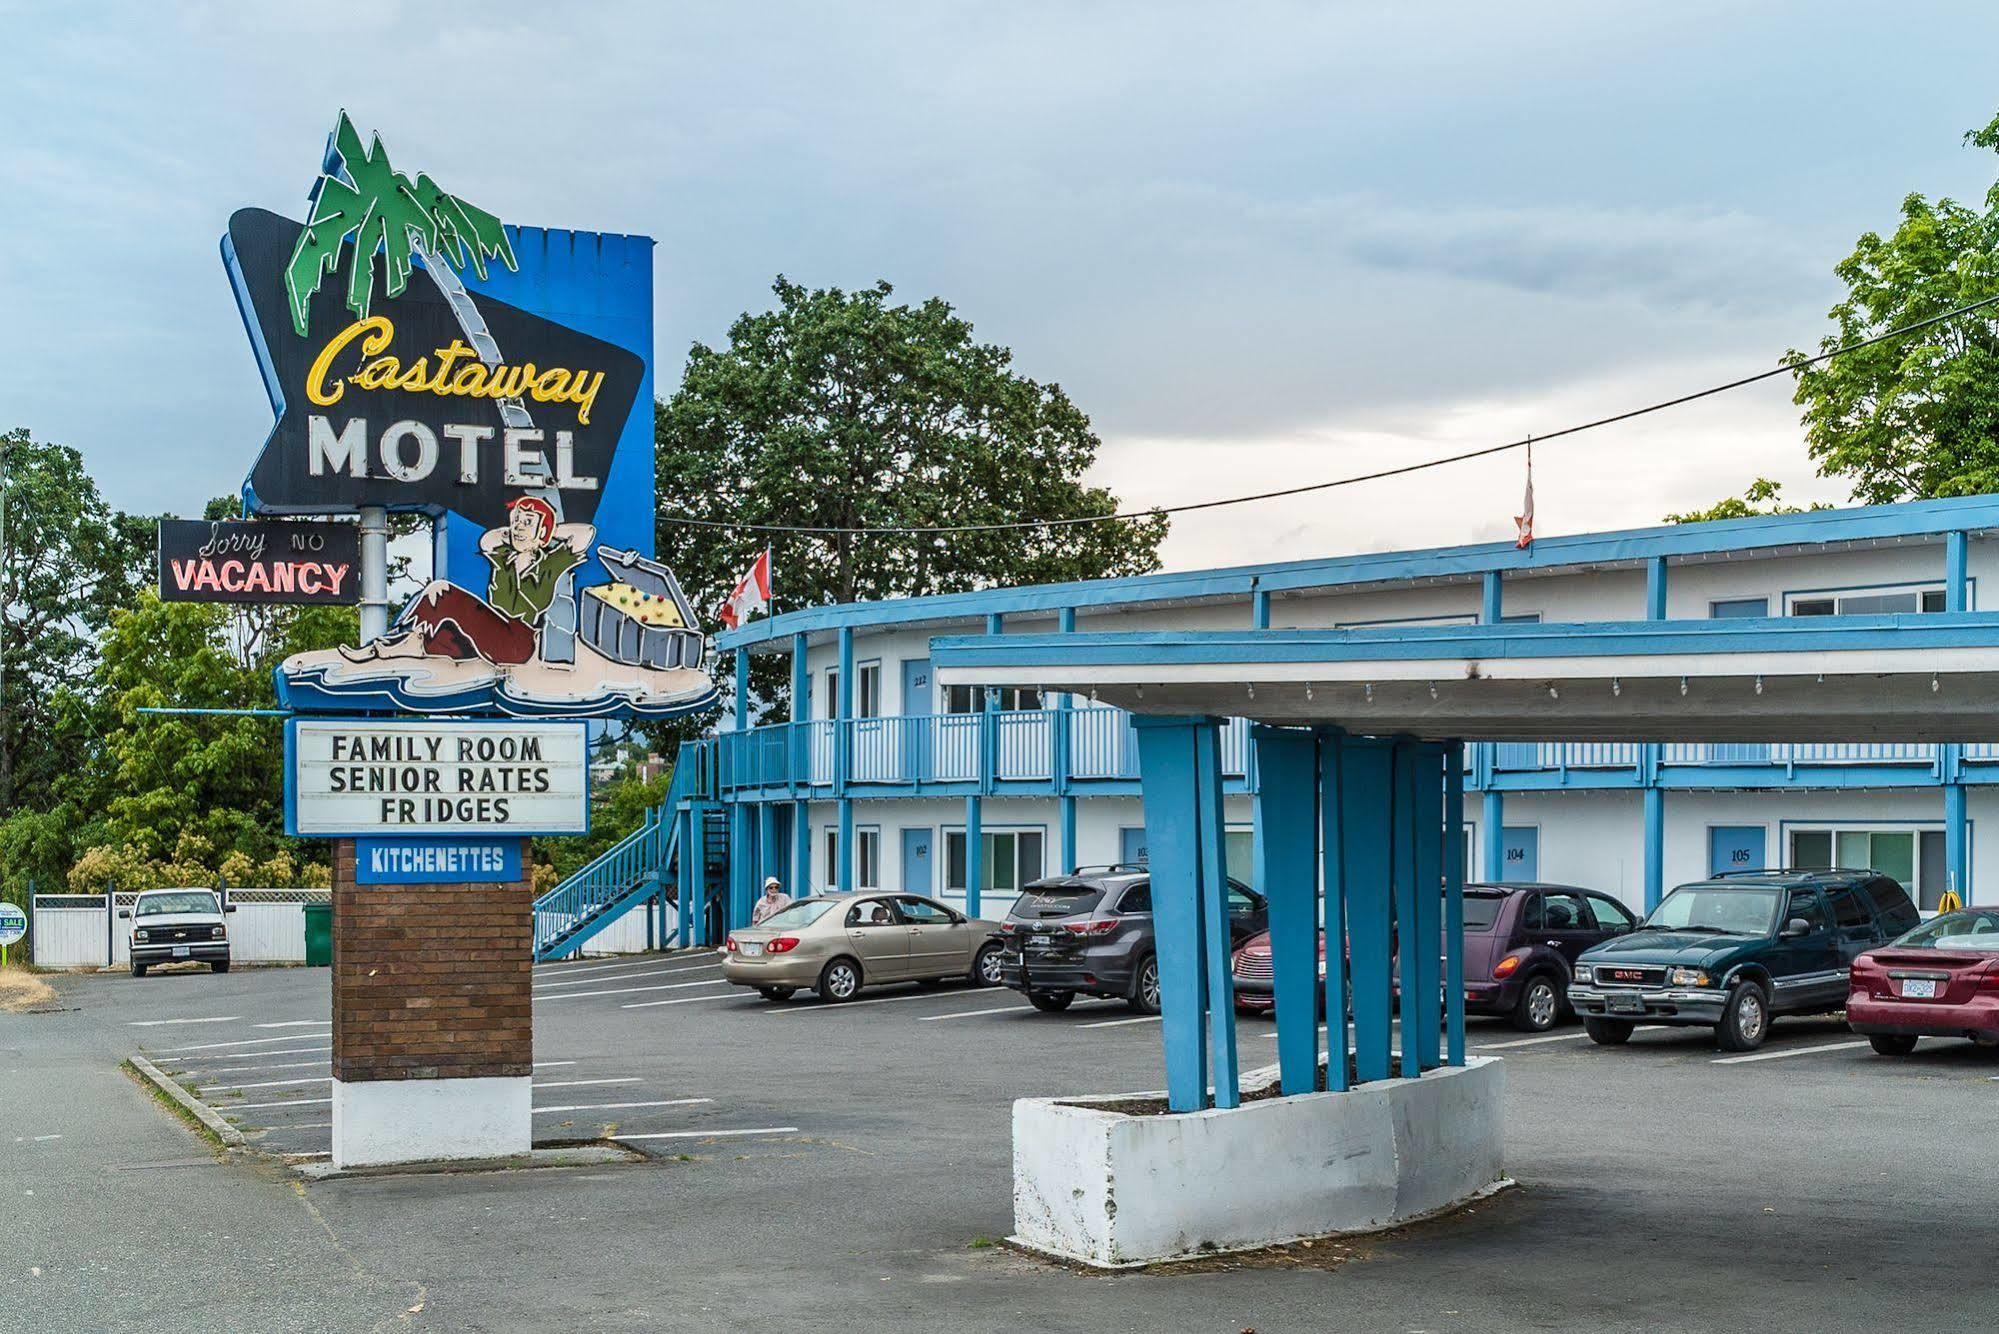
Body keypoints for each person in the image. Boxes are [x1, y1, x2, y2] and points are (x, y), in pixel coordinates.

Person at [340, 495, 594, 666]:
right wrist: (522, 532)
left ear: (542, 532)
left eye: (527, 522)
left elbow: (586, 534)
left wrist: (548, 534)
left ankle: (392, 644)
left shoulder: (551, 563)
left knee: (441, 591)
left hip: (517, 641)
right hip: (487, 637)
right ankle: (385, 650)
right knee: (440, 638)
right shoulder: (503, 556)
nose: (517, 526)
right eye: (515, 519)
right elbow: (488, 540)